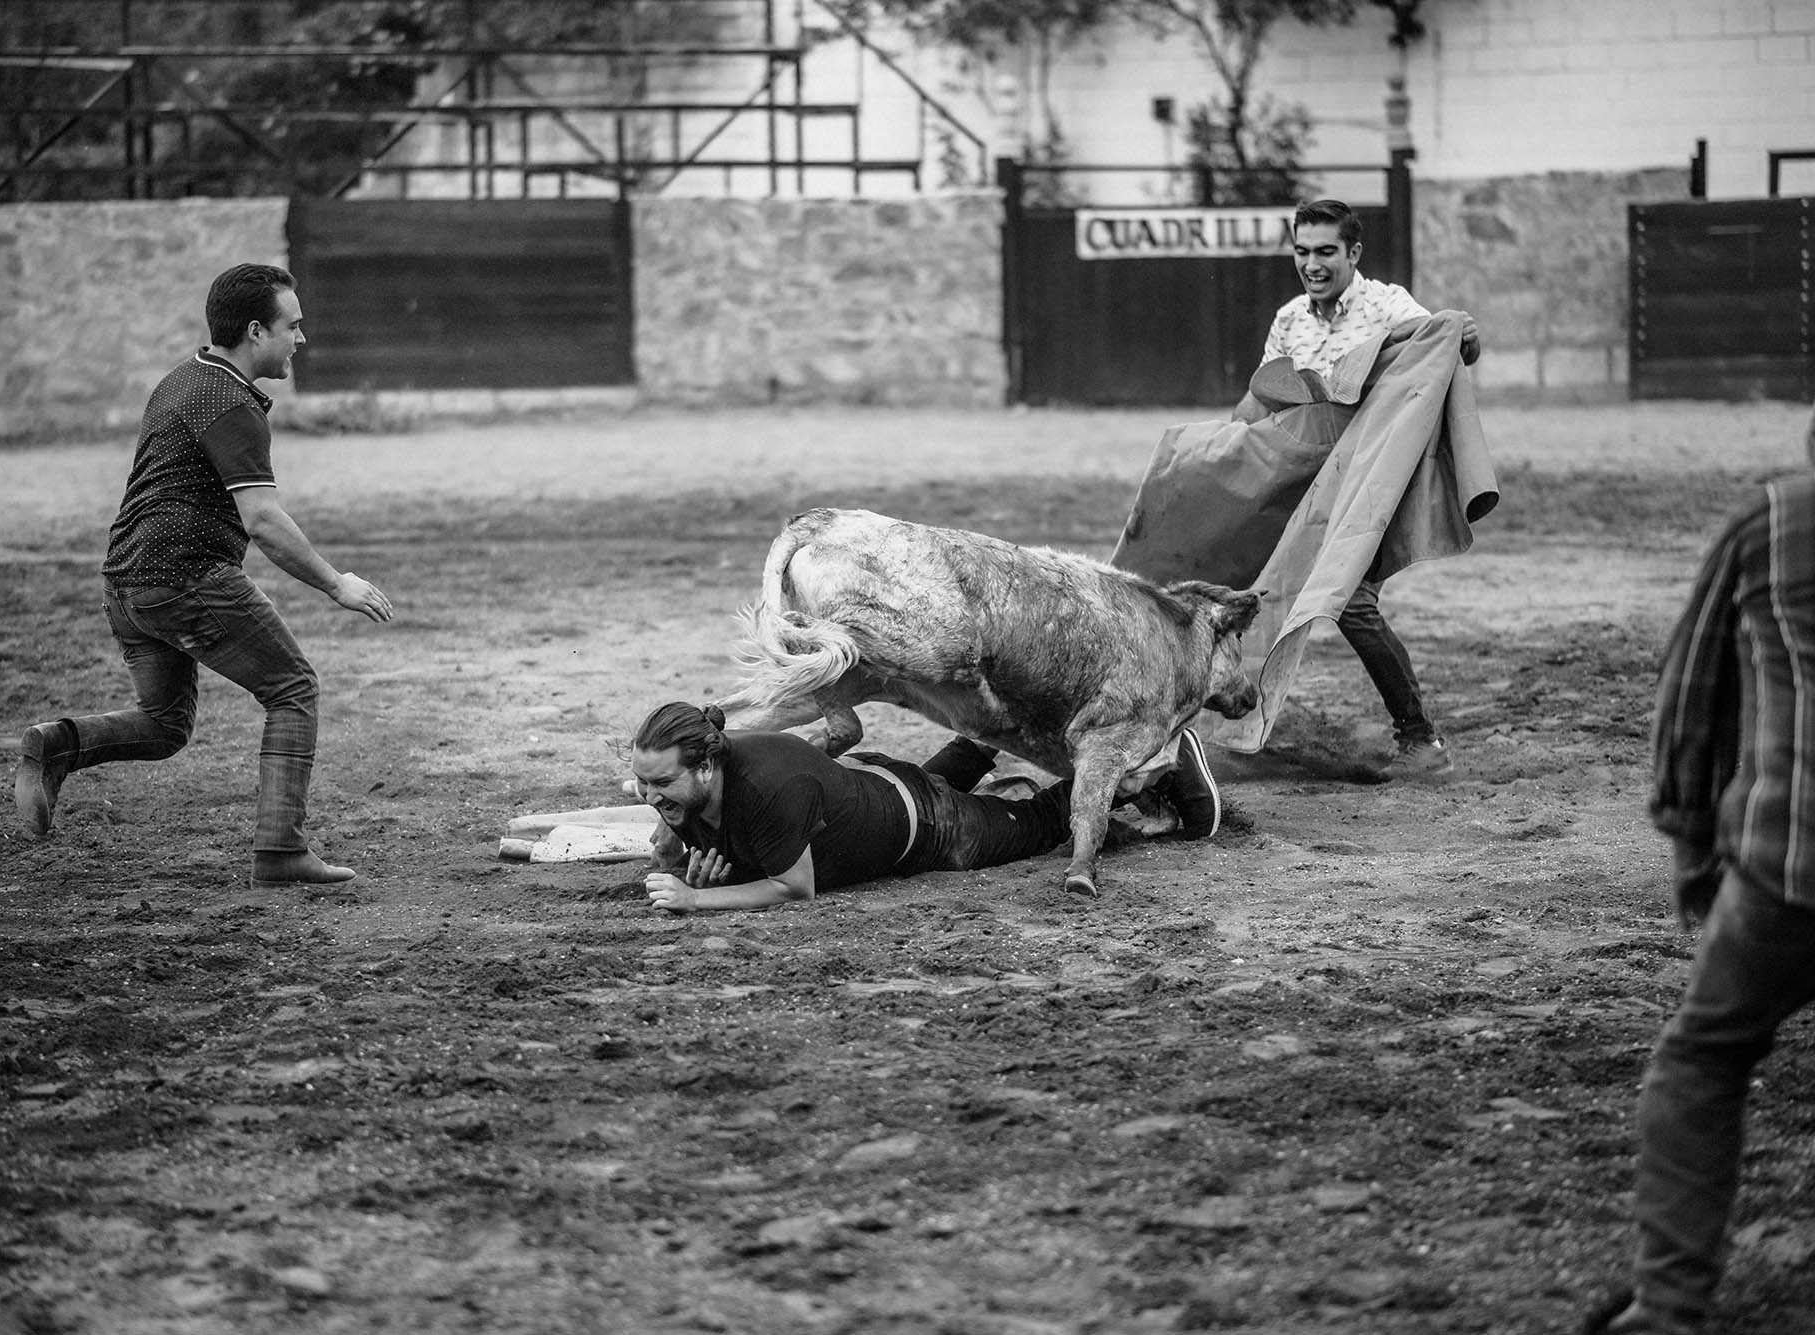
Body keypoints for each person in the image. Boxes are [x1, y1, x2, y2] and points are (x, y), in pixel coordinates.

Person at [13, 263, 394, 888]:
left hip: (125, 581)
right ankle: (280, 852)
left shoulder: (182, 379)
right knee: (293, 688)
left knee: (165, 725)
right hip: (187, 578)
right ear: (254, 331)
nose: (301, 339)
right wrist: (335, 583)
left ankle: (55, 744)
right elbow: (264, 520)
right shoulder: (232, 402)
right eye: (292, 327)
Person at [1584, 419, 1815, 1335]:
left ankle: (1671, 1304)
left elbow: (1692, 697)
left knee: (1703, 1058)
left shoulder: (1776, 519)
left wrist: (1689, 843)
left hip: (1793, 860)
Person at [1261, 198, 1480, 778]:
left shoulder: (1387, 305)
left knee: (1352, 600)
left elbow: (1444, 351)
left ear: (1353, 253)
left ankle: (1421, 740)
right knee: (1248, 590)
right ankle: (1212, 728)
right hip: (1309, 486)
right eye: (1302, 251)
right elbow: (1268, 408)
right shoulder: (1288, 321)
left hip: (1373, 486)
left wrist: (1463, 335)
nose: (1312, 262)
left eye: (1326, 251)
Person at [628, 702, 1221, 913]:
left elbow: (795, 888)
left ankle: (1147, 757)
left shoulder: (766, 786)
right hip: (880, 787)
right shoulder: (703, 783)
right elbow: (746, 849)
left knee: (1042, 821)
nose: (649, 798)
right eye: (640, 784)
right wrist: (700, 857)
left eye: (660, 784)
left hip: (934, 830)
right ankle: (997, 729)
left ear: (706, 766)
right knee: (931, 783)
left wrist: (699, 897)